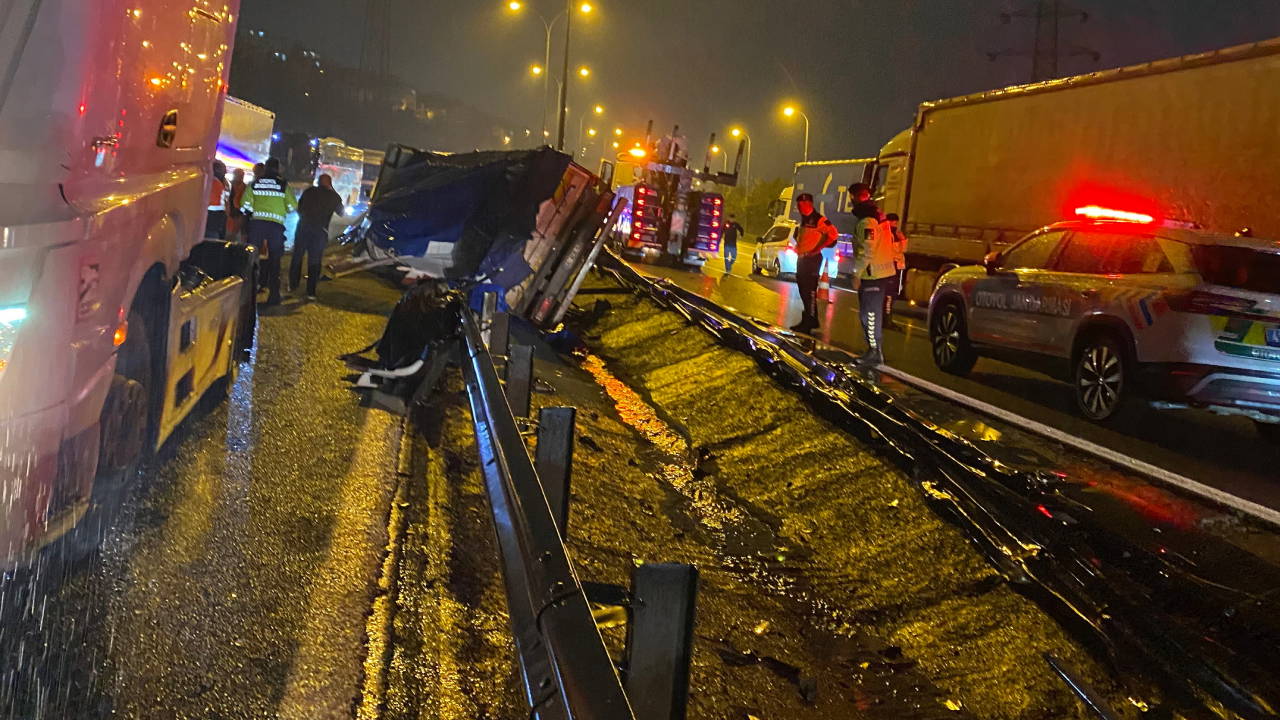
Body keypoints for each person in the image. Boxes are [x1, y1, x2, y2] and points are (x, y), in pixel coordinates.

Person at [850, 183, 896, 366]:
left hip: (873, 274)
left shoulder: (868, 220)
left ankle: (874, 351)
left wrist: (856, 273)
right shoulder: (877, 215)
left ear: (855, 197)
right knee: (869, 313)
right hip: (878, 272)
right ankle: (873, 349)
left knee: (868, 315)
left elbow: (867, 249)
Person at [242, 158, 297, 306]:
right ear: (278, 169)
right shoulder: (283, 185)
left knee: (251, 259)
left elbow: (244, 205)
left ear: (265, 168)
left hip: (257, 225)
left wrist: (255, 211)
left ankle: (247, 293)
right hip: (275, 227)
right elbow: (292, 207)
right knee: (275, 261)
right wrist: (281, 210)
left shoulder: (255, 183)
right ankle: (274, 295)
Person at [790, 192, 839, 334]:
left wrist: (818, 249)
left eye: (803, 204)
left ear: (810, 204)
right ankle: (809, 319)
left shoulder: (818, 219)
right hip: (803, 259)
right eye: (798, 205)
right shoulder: (804, 219)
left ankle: (810, 321)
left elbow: (833, 234)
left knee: (809, 292)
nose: (800, 207)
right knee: (803, 291)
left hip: (811, 260)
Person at [291, 174, 344, 299]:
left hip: (303, 229)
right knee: (314, 261)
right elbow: (341, 212)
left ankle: (293, 285)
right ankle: (311, 292)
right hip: (320, 232)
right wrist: (333, 191)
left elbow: (299, 208)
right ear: (330, 183)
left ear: (318, 182)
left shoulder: (309, 192)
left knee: (297, 257)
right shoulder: (334, 196)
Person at [884, 213, 909, 329]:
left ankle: (886, 319)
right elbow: (897, 249)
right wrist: (902, 239)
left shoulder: (895, 234)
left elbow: (903, 249)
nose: (895, 224)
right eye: (893, 221)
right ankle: (886, 320)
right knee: (889, 295)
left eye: (896, 222)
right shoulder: (889, 234)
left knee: (892, 295)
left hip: (897, 266)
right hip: (892, 266)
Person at [204, 160, 228, 239]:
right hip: (213, 218)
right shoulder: (216, 183)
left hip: (211, 217)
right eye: (223, 171)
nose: (224, 173)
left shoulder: (211, 181)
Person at [227, 168, 248, 242]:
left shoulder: (246, 188)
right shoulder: (228, 185)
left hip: (240, 216)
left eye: (242, 175)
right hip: (229, 215)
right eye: (238, 175)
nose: (240, 177)